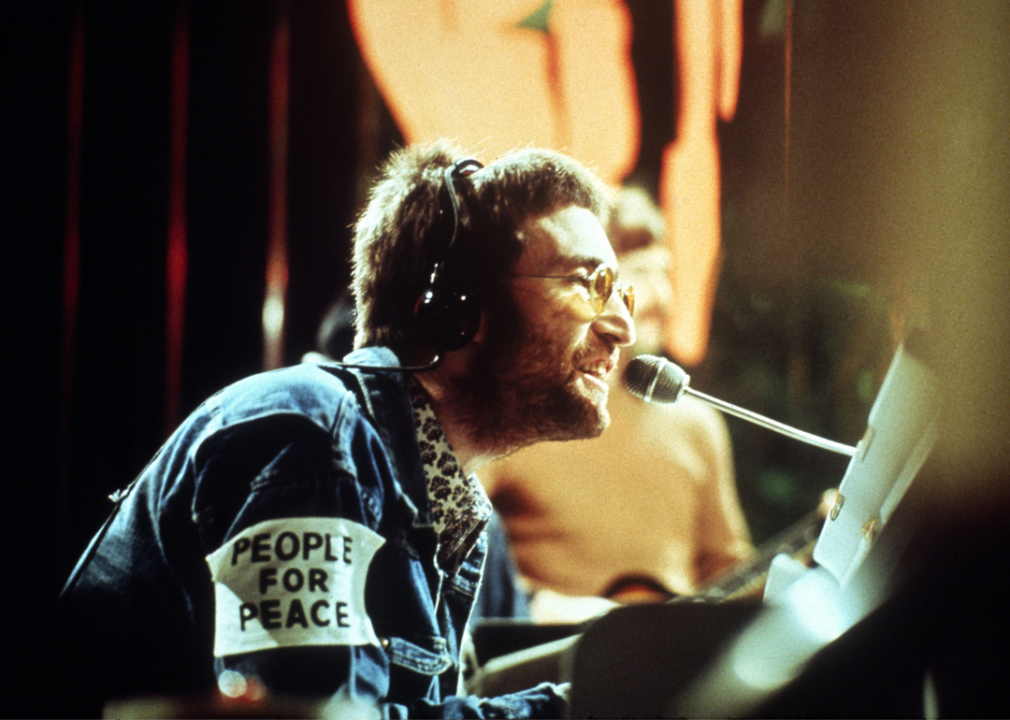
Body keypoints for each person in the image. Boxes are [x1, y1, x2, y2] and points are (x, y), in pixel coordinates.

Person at [55, 141, 634, 718]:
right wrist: (585, 707)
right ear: (458, 308)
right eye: (589, 285)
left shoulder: (442, 498)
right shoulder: (311, 438)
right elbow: (321, 717)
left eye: (621, 292)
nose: (622, 327)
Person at [480, 188, 753, 619]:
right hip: (549, 659)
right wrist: (550, 609)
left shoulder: (698, 424)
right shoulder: (522, 410)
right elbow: (459, 549)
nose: (662, 297)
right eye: (641, 275)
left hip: (674, 666)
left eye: (667, 275)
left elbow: (728, 569)